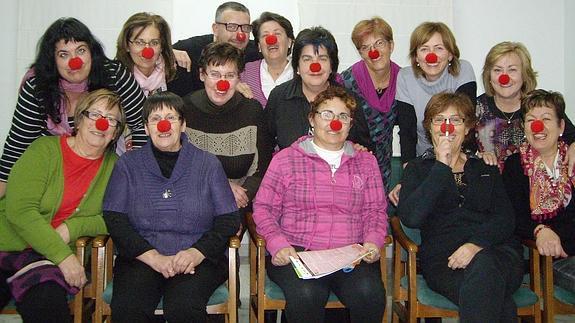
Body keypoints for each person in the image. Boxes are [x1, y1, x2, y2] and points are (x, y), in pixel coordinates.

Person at [102, 92, 240, 323]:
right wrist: (153, 257)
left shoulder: (208, 163)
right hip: (142, 258)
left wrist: (196, 253)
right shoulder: (127, 164)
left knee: (183, 307)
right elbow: (115, 219)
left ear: (183, 124)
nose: (163, 125)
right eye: (155, 119)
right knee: (129, 309)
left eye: (171, 117)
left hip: (197, 259)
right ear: (146, 128)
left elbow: (228, 220)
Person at [253, 86, 387, 323]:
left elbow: (375, 211)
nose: (334, 122)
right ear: (312, 119)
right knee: (307, 296)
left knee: (370, 294)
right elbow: (263, 209)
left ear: (350, 124)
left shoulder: (366, 162)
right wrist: (278, 244)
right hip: (298, 252)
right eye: (326, 114)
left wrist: (373, 242)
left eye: (343, 116)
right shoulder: (285, 160)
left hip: (349, 254)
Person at [0, 89, 125, 322]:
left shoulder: (117, 168)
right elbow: (20, 211)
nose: (101, 123)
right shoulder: (43, 150)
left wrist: (72, 227)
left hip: (46, 264)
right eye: (95, 114)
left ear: (115, 132)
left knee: (46, 303)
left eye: (111, 120)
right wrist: (62, 257)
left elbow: (118, 218)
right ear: (79, 118)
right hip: (9, 247)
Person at [397, 92, 523, 322]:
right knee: (497, 301)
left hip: (498, 254)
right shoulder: (417, 170)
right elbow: (411, 217)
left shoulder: (485, 167)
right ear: (430, 128)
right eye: (439, 120)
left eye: (455, 120)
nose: (447, 127)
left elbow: (505, 219)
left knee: (485, 269)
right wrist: (441, 166)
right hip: (445, 263)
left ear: (467, 129)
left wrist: (475, 245)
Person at [0, 17, 146, 197]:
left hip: (99, 176)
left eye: (81, 50)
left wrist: (138, 174)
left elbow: (142, 125)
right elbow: (18, 144)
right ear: (52, 60)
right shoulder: (37, 88)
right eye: (63, 54)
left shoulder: (114, 76)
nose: (74, 62)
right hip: (51, 176)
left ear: (91, 52)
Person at [183, 41, 273, 224]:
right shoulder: (184, 110)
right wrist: (221, 188)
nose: (222, 83)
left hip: (235, 204)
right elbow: (178, 167)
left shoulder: (252, 111)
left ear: (239, 78)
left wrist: (233, 200)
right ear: (202, 75)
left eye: (230, 75)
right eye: (215, 74)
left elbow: (261, 169)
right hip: (191, 201)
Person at [390, 21, 476, 205]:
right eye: (424, 49)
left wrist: (463, 164)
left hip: (459, 156)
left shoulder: (463, 70)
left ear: (451, 54)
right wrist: (409, 177)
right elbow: (407, 132)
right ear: (416, 57)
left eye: (439, 48)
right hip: (424, 160)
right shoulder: (405, 77)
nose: (431, 56)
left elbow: (465, 123)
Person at [503, 89, 575, 294]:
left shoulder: (573, 159)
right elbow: (514, 216)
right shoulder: (515, 165)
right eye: (531, 120)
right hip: (554, 259)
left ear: (561, 125)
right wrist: (540, 230)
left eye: (546, 119)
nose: (538, 127)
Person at [266, 26, 373, 152]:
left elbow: (366, 147)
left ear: (332, 66)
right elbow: (265, 144)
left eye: (322, 58)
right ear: (297, 66)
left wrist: (361, 150)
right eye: (307, 59)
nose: (314, 66)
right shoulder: (279, 97)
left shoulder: (349, 100)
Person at [476, 42, 575, 171]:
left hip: (532, 185)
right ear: (489, 76)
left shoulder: (541, 106)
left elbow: (570, 135)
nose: (504, 77)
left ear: (524, 75)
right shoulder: (476, 108)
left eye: (512, 70)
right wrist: (478, 157)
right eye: (497, 70)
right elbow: (463, 150)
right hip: (490, 186)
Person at [341, 17, 400, 191]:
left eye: (379, 43)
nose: (373, 52)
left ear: (391, 46)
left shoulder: (404, 81)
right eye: (365, 47)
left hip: (383, 165)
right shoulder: (346, 82)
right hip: (350, 163)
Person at [169, 1, 262, 97]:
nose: (240, 35)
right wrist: (169, 53)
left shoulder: (256, 52)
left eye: (246, 28)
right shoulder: (189, 49)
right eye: (231, 27)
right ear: (215, 29)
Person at [240, 11, 295, 107]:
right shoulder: (245, 71)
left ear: (289, 41)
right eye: (265, 35)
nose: (271, 39)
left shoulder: (301, 71)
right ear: (259, 46)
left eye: (277, 33)